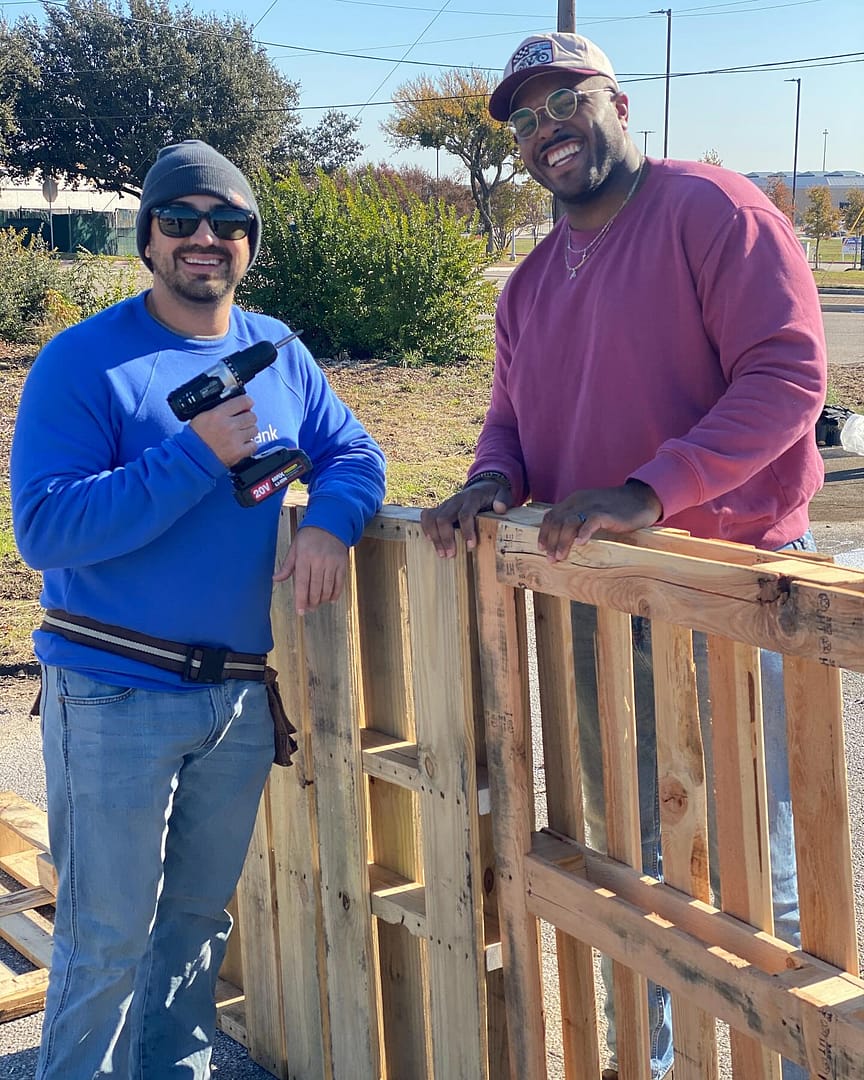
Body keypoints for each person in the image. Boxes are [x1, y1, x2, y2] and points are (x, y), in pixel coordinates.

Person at [420, 32, 825, 1080]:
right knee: (625, 859)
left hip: (725, 590)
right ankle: (653, 1061)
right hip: (594, 599)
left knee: (746, 862)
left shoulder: (711, 209)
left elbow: (787, 379)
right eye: (524, 118)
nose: (546, 129)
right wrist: (493, 480)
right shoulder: (529, 282)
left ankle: (766, 1063)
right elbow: (508, 416)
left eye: (568, 102)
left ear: (619, 104)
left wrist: (652, 490)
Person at [10, 139, 386, 1080]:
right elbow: (47, 530)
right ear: (148, 240)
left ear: (251, 242)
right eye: (180, 220)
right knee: (105, 936)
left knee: (194, 926)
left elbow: (357, 455)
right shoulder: (84, 361)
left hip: (236, 701)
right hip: (111, 693)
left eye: (227, 222)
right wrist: (193, 455)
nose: (204, 238)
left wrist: (331, 527)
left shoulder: (281, 351)